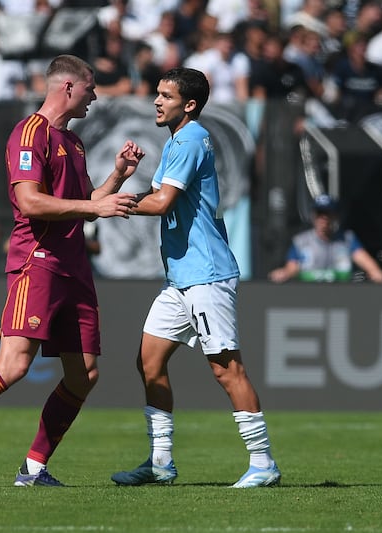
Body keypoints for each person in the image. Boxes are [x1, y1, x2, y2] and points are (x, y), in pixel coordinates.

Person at [0, 54, 144, 488]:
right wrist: (94, 204)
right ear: (68, 87)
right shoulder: (29, 133)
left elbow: (84, 205)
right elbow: (32, 202)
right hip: (37, 262)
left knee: (85, 373)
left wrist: (116, 177)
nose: (95, 95)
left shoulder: (72, 142)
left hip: (74, 268)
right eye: (90, 87)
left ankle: (34, 468)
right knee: (14, 364)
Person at [110, 67, 280, 489]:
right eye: (157, 93)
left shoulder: (188, 139)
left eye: (166, 95)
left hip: (205, 275)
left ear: (189, 104)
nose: (156, 100)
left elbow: (164, 202)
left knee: (227, 370)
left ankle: (263, 464)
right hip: (182, 277)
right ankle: (161, 462)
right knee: (149, 362)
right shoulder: (179, 139)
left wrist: (111, 203)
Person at [268, 194, 382, 283]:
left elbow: (365, 260)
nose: (323, 219)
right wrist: (284, 273)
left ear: (334, 216)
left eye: (327, 214)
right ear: (313, 216)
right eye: (320, 214)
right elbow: (292, 268)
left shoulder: (347, 239)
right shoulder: (301, 241)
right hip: (310, 297)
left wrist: (375, 272)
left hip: (342, 297)